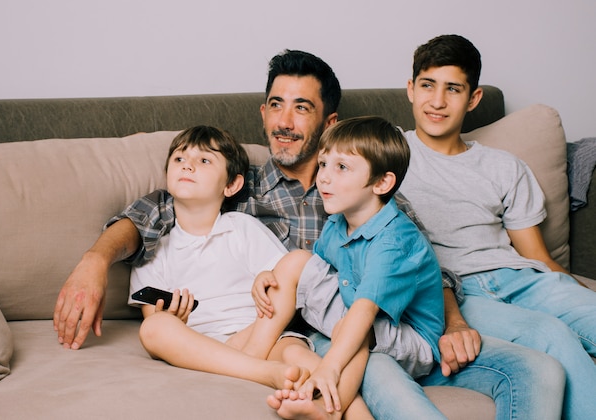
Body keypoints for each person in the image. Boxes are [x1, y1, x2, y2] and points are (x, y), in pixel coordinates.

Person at [54, 49, 565, 419]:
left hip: (370, 323)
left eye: (302, 108)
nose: (284, 120)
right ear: (263, 113)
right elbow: (155, 211)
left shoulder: (370, 190)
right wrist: (96, 260)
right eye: (276, 105)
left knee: (542, 363)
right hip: (312, 330)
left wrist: (453, 321)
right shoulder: (238, 184)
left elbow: (423, 261)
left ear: (329, 121)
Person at [399, 33, 596, 419]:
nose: (437, 101)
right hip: (460, 292)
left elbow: (537, 255)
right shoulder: (388, 154)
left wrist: (573, 294)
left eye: (452, 89)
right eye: (427, 85)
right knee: (552, 338)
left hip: (521, 277)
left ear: (472, 99)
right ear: (411, 89)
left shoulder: (504, 166)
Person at [129, 125, 370, 419]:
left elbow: (284, 280)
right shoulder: (154, 249)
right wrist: (172, 318)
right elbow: (153, 322)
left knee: (300, 357)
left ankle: (348, 412)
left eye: (204, 161)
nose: (188, 165)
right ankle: (264, 372)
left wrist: (263, 278)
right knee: (154, 329)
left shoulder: (241, 227)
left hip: (261, 334)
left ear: (231, 185)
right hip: (206, 345)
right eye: (179, 159)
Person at [263, 116, 444, 417]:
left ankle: (330, 408)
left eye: (342, 167)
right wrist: (272, 274)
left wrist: (330, 365)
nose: (323, 178)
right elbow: (316, 270)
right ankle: (255, 349)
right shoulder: (338, 222)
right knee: (296, 260)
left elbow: (364, 311)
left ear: (382, 182)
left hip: (413, 338)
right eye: (323, 164)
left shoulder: (395, 240)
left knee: (352, 326)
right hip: (355, 308)